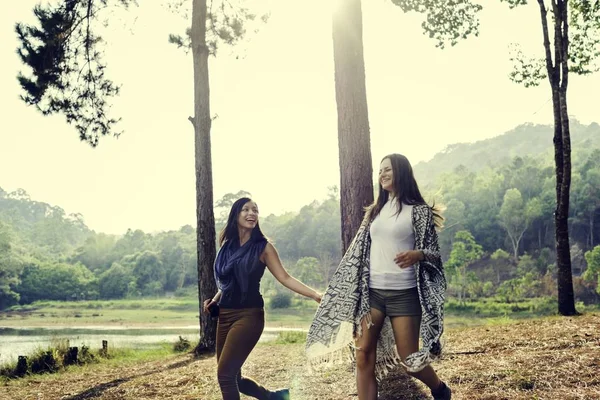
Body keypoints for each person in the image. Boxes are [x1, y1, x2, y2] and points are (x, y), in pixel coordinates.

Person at [306, 153, 451, 400]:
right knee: (363, 356)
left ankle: (439, 389)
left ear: (401, 173)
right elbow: (357, 253)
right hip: (372, 294)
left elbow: (435, 256)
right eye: (380, 171)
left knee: (409, 360)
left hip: (404, 294)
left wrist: (418, 254)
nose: (382, 175)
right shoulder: (375, 211)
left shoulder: (419, 212)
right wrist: (340, 290)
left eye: (388, 170)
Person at [203, 197, 322, 400]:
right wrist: (214, 300)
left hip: (249, 316)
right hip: (225, 315)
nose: (252, 214)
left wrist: (315, 294)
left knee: (224, 375)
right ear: (236, 215)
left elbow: (284, 277)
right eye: (246, 209)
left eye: (255, 210)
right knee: (234, 379)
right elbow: (227, 282)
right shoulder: (227, 245)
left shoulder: (263, 247)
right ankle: (274, 397)